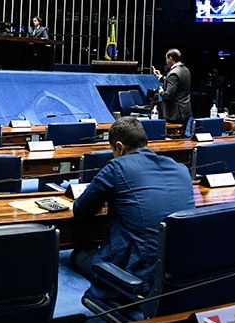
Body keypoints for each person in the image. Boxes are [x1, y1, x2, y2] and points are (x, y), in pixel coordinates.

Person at [71, 117, 195, 304]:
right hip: (181, 269)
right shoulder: (179, 168)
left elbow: (80, 210)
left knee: (79, 255)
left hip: (139, 274)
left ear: (119, 147)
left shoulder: (116, 167)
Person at [152, 49, 191, 126]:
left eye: (166, 58)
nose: (166, 61)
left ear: (170, 58)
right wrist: (159, 76)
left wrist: (160, 91)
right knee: (182, 137)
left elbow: (168, 95)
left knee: (172, 137)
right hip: (185, 110)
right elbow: (175, 83)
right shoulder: (186, 70)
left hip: (175, 113)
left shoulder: (174, 73)